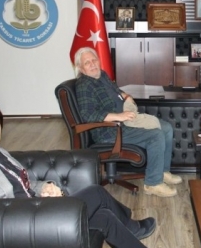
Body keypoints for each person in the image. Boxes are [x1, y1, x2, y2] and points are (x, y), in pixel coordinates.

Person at [0, 101, 183, 248]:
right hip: (24, 225)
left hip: (34, 211)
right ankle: (132, 228)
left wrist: (45, 187)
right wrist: (37, 205)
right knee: (95, 192)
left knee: (103, 217)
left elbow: (25, 183)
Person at [74, 47, 182, 197]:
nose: (92, 64)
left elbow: (116, 90)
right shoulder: (84, 85)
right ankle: (153, 183)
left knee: (166, 128)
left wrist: (125, 96)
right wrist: (119, 116)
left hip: (124, 122)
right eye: (87, 63)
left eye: (94, 60)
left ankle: (162, 172)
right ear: (80, 68)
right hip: (109, 131)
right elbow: (88, 115)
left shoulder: (102, 75)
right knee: (156, 136)